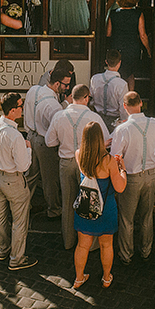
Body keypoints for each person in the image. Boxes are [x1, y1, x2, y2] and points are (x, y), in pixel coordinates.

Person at [46, 84, 110, 250]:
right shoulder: (93, 117)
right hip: (87, 163)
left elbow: (49, 142)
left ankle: (68, 241)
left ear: (71, 97)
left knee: (67, 202)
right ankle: (90, 244)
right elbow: (106, 140)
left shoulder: (59, 116)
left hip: (66, 162)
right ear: (87, 97)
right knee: (89, 201)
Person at [0, 92, 37, 271]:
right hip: (13, 180)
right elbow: (23, 167)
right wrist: (28, 149)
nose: (22, 109)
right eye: (21, 106)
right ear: (13, 110)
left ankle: (3, 250)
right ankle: (16, 259)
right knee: (19, 220)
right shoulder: (15, 136)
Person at [72, 121, 127, 289]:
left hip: (85, 206)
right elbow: (120, 187)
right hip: (105, 208)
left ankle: (79, 278)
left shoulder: (79, 154)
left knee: (82, 245)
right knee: (106, 245)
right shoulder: (108, 160)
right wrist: (122, 169)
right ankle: (106, 278)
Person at [110, 90, 155, 265]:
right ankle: (146, 250)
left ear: (124, 107)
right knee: (147, 216)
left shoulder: (122, 129)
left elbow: (115, 155)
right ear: (140, 104)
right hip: (151, 175)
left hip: (131, 177)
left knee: (126, 218)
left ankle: (126, 254)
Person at [23, 68, 72, 221]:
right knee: (50, 179)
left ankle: (23, 205)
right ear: (57, 83)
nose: (67, 88)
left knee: (30, 176)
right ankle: (54, 210)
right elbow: (57, 124)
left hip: (30, 136)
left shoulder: (34, 90)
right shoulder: (53, 105)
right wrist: (66, 103)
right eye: (65, 85)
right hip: (44, 144)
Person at [106, 0, 151, 90]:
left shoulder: (113, 14)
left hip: (116, 47)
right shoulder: (138, 14)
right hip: (132, 48)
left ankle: (117, 96)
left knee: (117, 73)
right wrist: (148, 49)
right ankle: (130, 98)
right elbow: (142, 35)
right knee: (130, 75)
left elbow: (108, 34)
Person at [90, 49, 129, 132]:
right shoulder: (122, 84)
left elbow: (91, 101)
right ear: (119, 63)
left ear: (106, 62)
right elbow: (123, 108)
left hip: (97, 119)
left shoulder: (95, 79)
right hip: (114, 122)